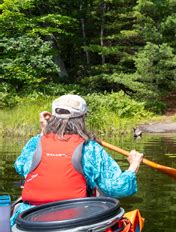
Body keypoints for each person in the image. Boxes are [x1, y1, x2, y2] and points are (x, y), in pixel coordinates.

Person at [11, 94, 144, 225]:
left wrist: (43, 132)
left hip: (30, 220)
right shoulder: (90, 149)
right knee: (100, 189)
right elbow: (117, 188)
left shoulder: (36, 142)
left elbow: (21, 166)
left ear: (53, 117)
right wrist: (133, 166)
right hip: (76, 220)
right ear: (82, 118)